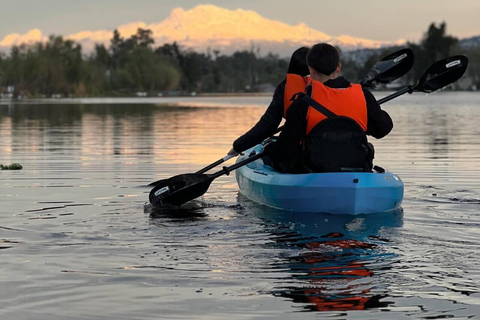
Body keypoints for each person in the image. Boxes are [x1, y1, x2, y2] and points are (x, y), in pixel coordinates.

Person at [264, 43, 393, 173]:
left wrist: (269, 150)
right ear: (338, 67)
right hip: (356, 167)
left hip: (313, 170)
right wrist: (370, 118)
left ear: (311, 71)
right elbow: (383, 129)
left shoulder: (302, 103)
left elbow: (284, 152)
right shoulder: (364, 96)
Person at [228, 47, 310, 156]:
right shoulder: (334, 89)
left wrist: (238, 147)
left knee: (269, 149)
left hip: (297, 153)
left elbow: (266, 126)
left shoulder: (284, 90)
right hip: (326, 149)